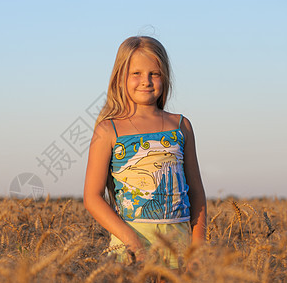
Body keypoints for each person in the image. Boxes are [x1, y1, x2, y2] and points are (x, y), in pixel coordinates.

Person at [83, 36, 207, 269]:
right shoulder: (108, 130)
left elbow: (197, 193)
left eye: (155, 74)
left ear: (165, 77)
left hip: (177, 247)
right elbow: (92, 197)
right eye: (136, 73)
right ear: (120, 77)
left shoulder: (181, 126)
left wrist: (197, 249)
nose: (146, 81)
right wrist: (132, 242)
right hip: (130, 248)